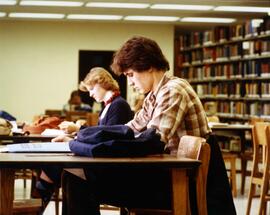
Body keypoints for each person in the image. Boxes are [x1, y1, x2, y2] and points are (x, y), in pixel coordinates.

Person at [61, 36, 236, 215]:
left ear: (149, 66)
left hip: (179, 183)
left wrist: (92, 141)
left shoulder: (173, 91)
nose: (129, 82)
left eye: (130, 75)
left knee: (79, 179)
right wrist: (83, 134)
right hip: (167, 173)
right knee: (74, 174)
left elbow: (153, 140)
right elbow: (130, 128)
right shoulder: (154, 95)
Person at [36, 67, 134, 208]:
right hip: (101, 158)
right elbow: (102, 134)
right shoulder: (109, 105)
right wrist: (76, 134)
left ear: (101, 83)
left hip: (109, 166)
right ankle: (41, 196)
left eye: (92, 89)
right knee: (61, 165)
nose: (90, 94)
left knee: (60, 165)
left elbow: (107, 139)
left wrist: (77, 133)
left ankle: (40, 196)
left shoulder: (119, 105)